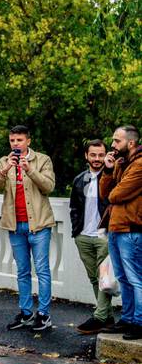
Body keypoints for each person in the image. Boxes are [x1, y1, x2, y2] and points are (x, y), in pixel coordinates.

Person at [0, 125, 56, 332]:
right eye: (12, 141)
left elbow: (49, 187)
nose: (15, 144)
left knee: (42, 271)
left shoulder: (42, 160)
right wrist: (6, 169)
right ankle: (26, 313)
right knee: (22, 271)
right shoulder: (4, 161)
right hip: (15, 226)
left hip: (39, 225)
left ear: (28, 141)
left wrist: (30, 169)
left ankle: (44, 314)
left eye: (19, 140)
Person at [101, 125, 142, 341]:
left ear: (131, 143)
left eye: (117, 141)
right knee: (123, 278)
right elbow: (104, 192)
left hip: (131, 229)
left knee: (136, 278)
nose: (113, 145)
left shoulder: (140, 164)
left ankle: (139, 321)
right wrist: (108, 170)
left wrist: (113, 190)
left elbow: (116, 195)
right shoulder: (121, 163)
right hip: (116, 227)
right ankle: (127, 319)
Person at [69, 139, 115, 334]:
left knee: (104, 277)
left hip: (104, 236)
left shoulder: (113, 177)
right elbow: (74, 207)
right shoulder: (80, 179)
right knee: (94, 278)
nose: (97, 159)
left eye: (101, 155)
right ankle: (108, 316)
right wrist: (76, 231)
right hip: (84, 237)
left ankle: (99, 316)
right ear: (86, 156)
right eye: (93, 155)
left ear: (106, 155)